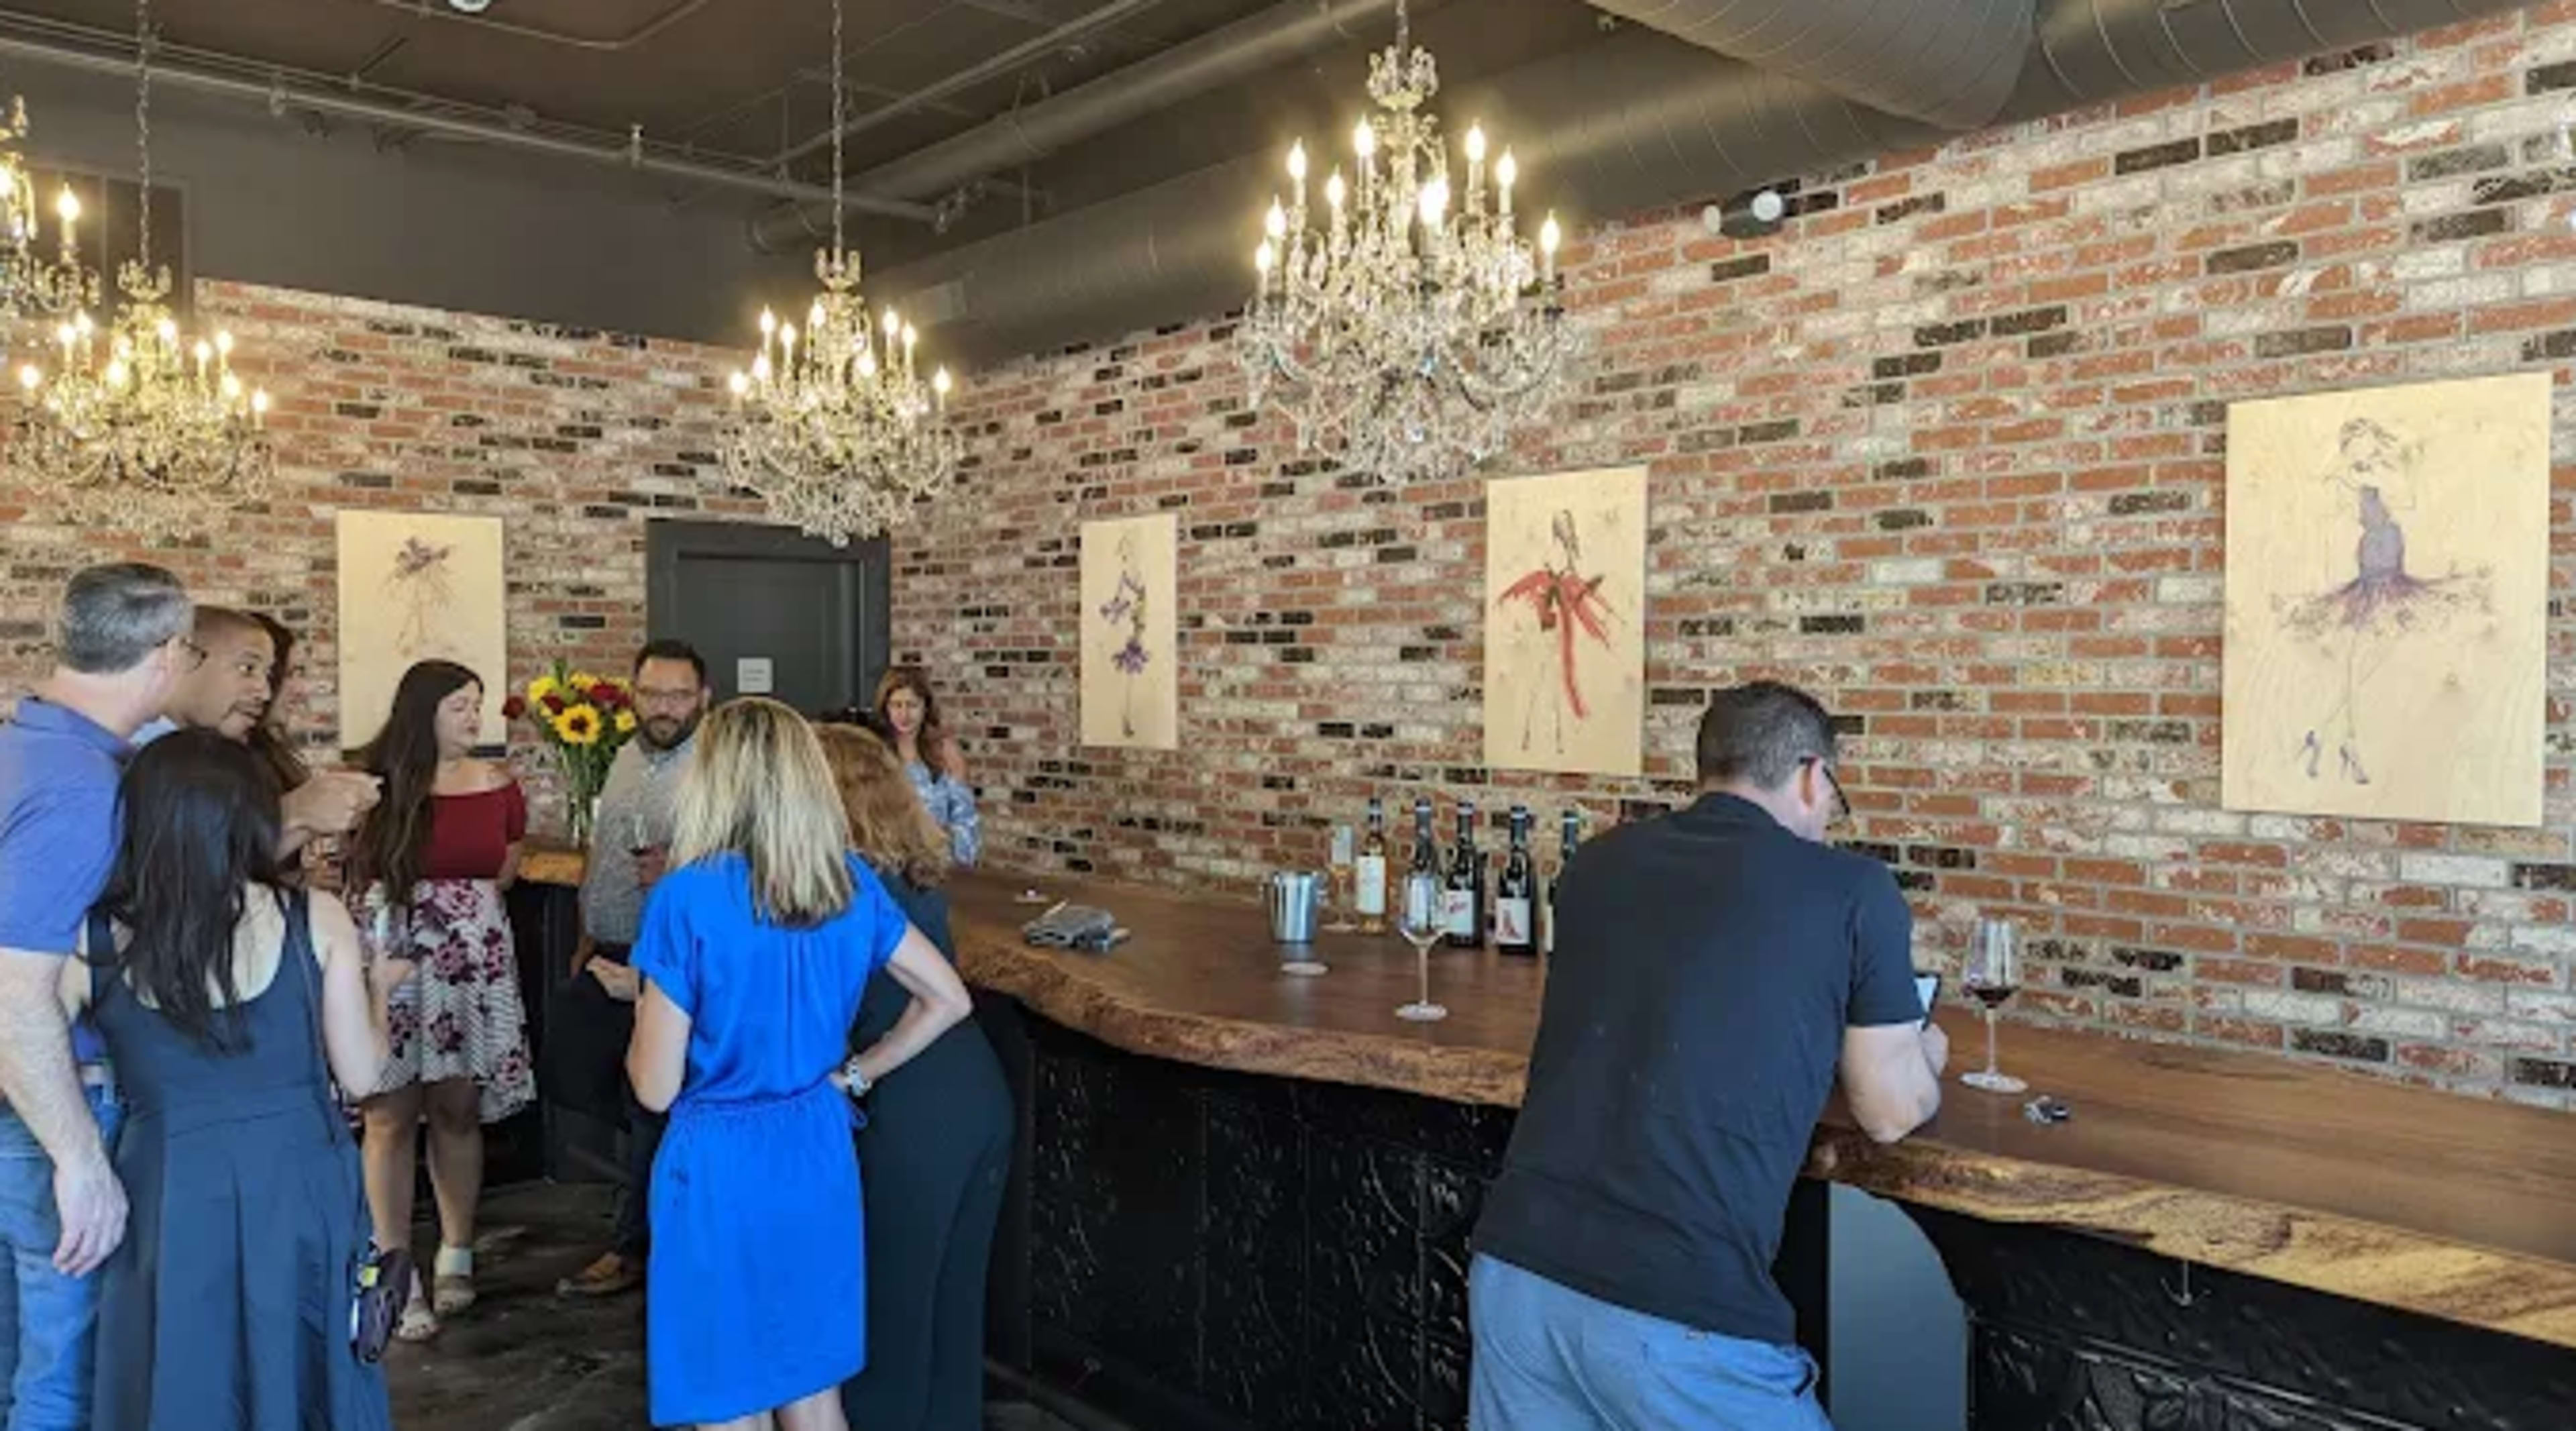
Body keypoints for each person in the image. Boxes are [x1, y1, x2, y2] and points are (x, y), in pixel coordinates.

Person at [1468, 681, 1948, 1431]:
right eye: (1831, 797)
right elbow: (1888, 1112)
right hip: (1678, 1309)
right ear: (1811, 775)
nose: (1826, 818)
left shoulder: (1594, 867)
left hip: (1519, 1278)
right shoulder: (1853, 890)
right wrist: (1928, 1050)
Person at [626, 698, 973, 1431]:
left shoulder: (684, 897)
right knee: (814, 1393)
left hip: (719, 1158)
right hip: (817, 1141)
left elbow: (654, 1088)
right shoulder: (847, 880)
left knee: (730, 1397)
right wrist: (856, 1074)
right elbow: (947, 998)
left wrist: (639, 1011)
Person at [65, 731, 409, 1431]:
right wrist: (381, 990)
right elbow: (365, 1074)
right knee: (303, 1359)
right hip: (298, 1173)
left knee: (179, 1364)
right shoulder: (315, 917)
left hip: (166, 1179)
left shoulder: (92, 938)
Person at [0, 562, 190, 1430]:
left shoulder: (23, 745)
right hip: (45, 1107)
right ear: (166, 654)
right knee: (69, 1368)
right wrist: (79, 1161)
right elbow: (13, 987)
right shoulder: (80, 787)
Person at [816, 721, 1010, 1431]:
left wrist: (854, 1075)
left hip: (909, 1104)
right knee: (952, 1319)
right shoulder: (911, 869)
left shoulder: (845, 880)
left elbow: (923, 1003)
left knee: (889, 1320)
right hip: (976, 1097)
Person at [347, 659, 535, 1342]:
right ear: (421, 709)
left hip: (473, 956)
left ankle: (457, 1250)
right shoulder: (375, 782)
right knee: (389, 1115)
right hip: (394, 954)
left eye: (477, 704)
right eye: (459, 704)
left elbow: (507, 869)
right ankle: (396, 1266)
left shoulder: (500, 784)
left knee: (458, 1107)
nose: (472, 716)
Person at [555, 639, 712, 1300]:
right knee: (602, 1089)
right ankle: (645, 1234)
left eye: (679, 695)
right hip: (613, 950)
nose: (665, 707)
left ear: (704, 698)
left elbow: (742, 872)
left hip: (675, 964)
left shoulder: (716, 771)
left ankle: (641, 1250)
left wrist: (679, 871)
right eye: (652, 694)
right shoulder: (621, 757)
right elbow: (603, 853)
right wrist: (587, 932)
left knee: (656, 1108)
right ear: (633, 693)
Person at [131, 606, 378, 861]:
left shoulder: (204, 755)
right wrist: (295, 812)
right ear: (184, 658)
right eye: (247, 668)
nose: (264, 692)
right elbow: (189, 876)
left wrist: (307, 818)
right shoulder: (140, 756)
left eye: (269, 674)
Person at [871, 666, 981, 867]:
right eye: (896, 705)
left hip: (936, 865)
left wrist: (939, 840)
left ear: (926, 707)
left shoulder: (945, 752)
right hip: (887, 866)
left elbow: (967, 824)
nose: (904, 714)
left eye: (912, 705)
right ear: (885, 708)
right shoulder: (875, 753)